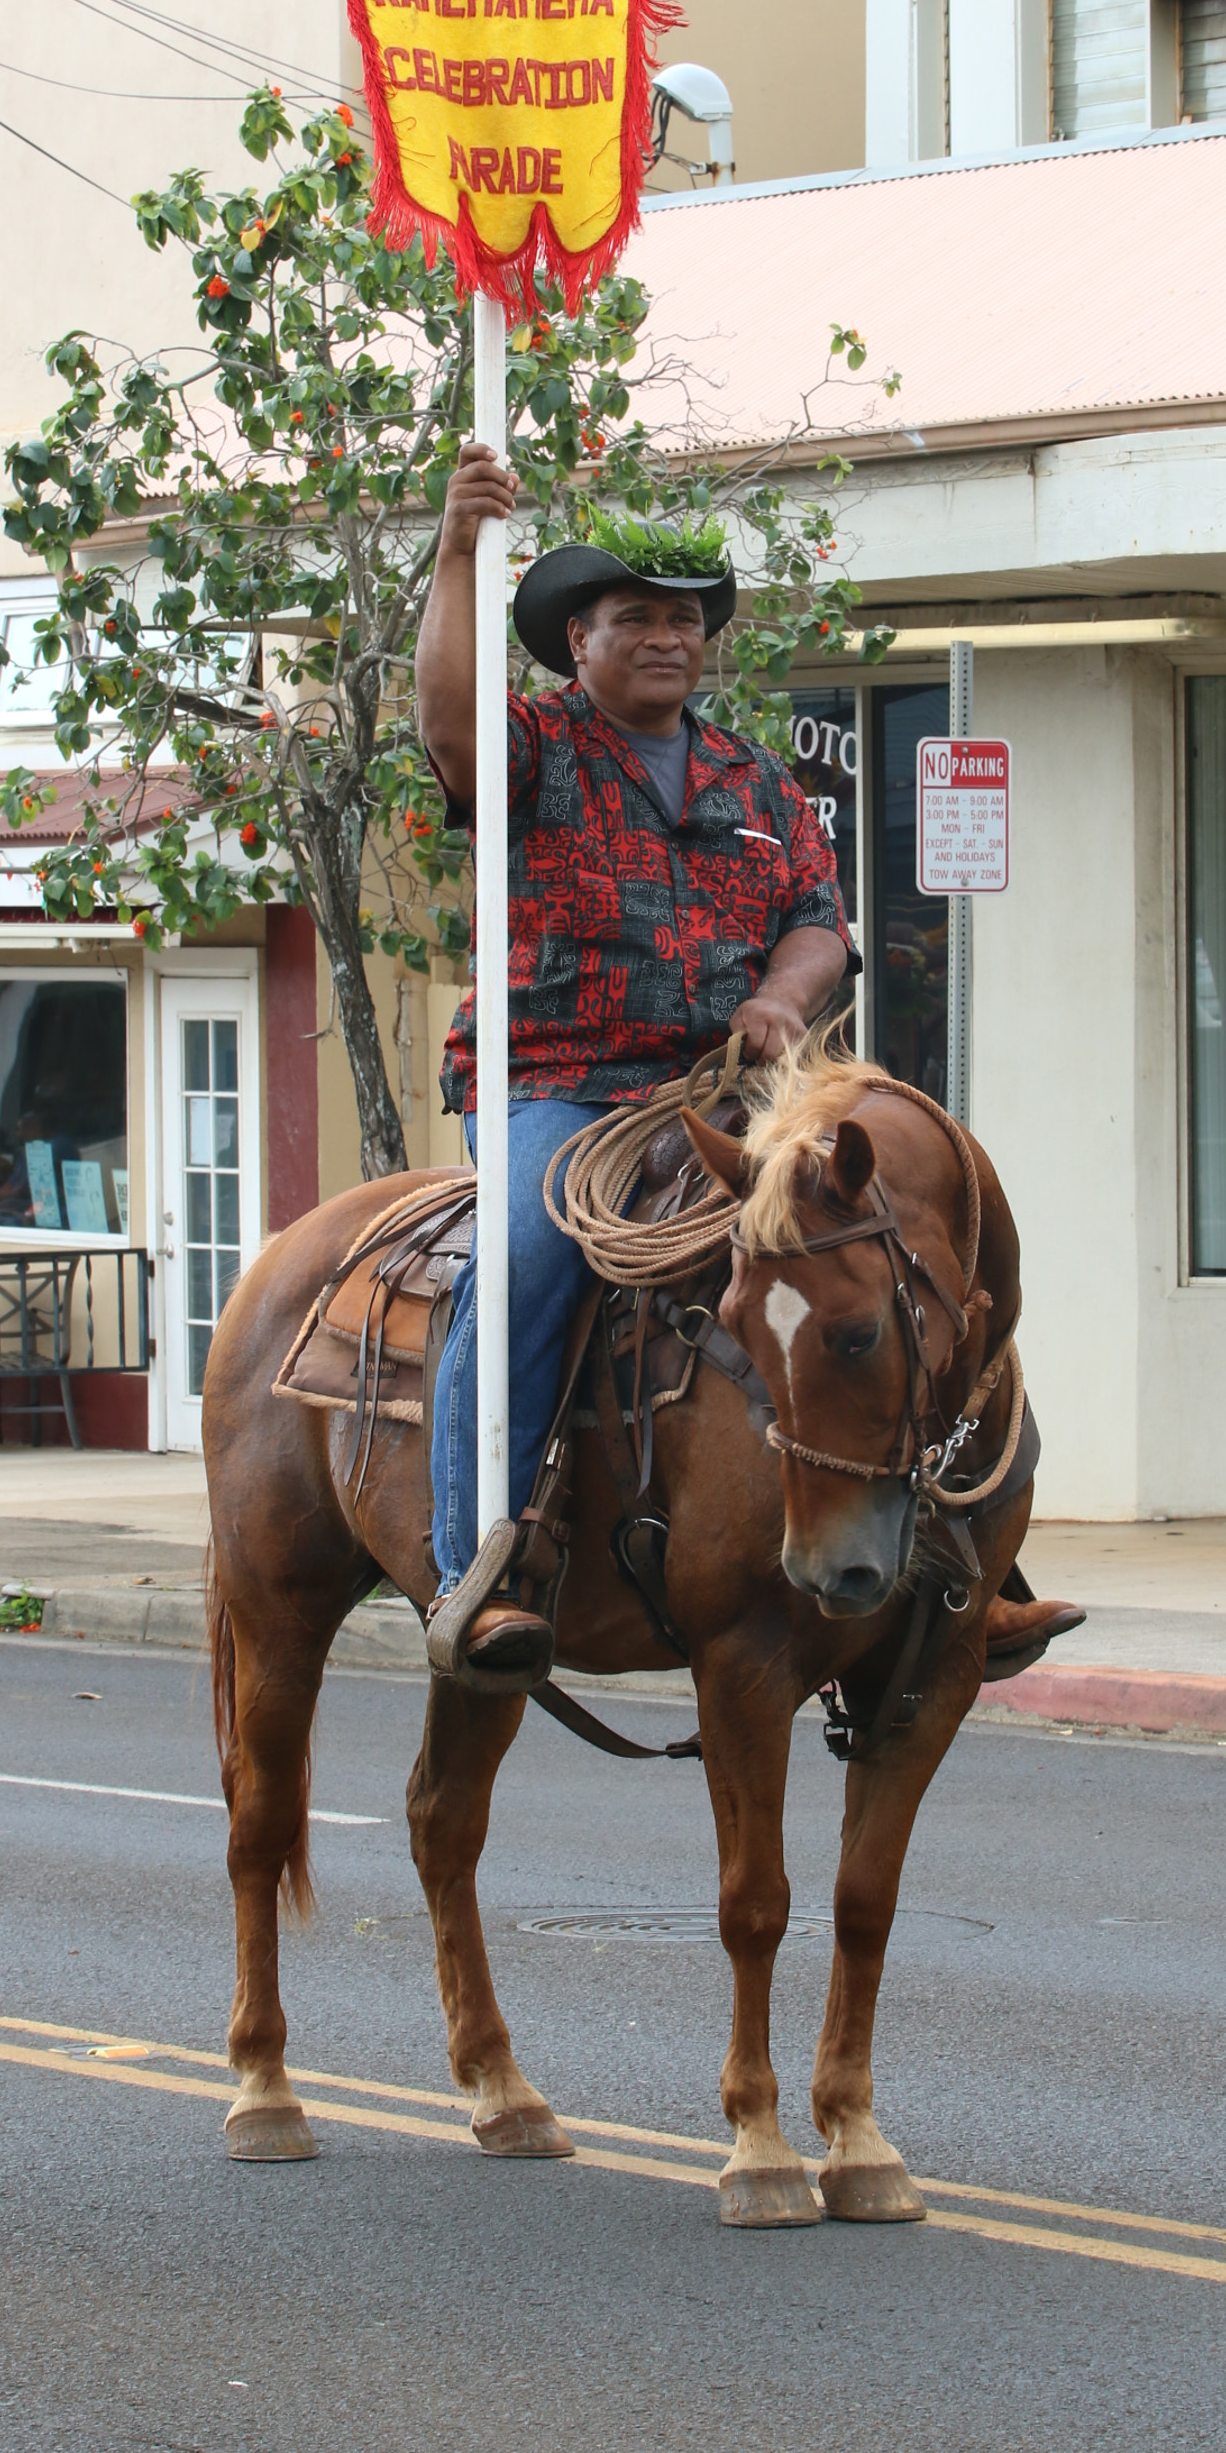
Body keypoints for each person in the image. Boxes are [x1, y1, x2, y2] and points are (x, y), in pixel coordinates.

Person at [414, 441, 856, 1682]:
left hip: (725, 1096)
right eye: (633, 621)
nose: (667, 639)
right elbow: (445, 720)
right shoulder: (531, 753)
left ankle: (959, 1554)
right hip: (558, 1087)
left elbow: (820, 922)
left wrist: (781, 994)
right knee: (521, 1267)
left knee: (887, 1243)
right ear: (577, 645)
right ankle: (475, 1570)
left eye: (683, 621)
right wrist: (456, 546)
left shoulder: (757, 778)